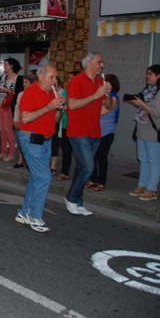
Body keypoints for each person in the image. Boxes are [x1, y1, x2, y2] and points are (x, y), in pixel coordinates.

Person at [16, 65, 65, 233]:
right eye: (51, 77)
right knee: (44, 177)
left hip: (46, 141)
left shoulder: (51, 93)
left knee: (36, 178)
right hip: (31, 140)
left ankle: (24, 213)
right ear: (41, 77)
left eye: (55, 77)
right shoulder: (30, 93)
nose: (54, 81)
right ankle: (34, 216)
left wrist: (59, 108)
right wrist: (49, 107)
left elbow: (55, 118)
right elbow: (25, 118)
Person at [65, 53, 112, 216]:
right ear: (89, 64)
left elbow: (108, 106)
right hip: (78, 131)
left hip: (95, 131)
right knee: (88, 167)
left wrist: (107, 93)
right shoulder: (77, 81)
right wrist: (95, 95)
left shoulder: (99, 82)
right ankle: (71, 198)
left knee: (82, 167)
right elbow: (72, 104)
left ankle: (78, 201)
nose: (102, 65)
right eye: (99, 62)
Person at [125, 65, 160, 201]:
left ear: (158, 76)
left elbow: (156, 112)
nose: (147, 76)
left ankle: (152, 188)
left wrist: (141, 103)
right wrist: (138, 101)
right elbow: (145, 108)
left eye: (150, 74)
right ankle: (142, 185)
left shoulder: (158, 92)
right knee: (143, 158)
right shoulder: (147, 90)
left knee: (153, 160)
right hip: (142, 128)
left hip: (153, 130)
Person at [86, 74, 120, 192]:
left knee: (102, 157)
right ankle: (93, 179)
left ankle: (101, 181)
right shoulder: (98, 97)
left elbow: (102, 112)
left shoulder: (113, 98)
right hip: (95, 130)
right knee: (92, 156)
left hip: (106, 131)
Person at [0, 58, 23, 162]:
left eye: (6, 64)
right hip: (0, 105)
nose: (4, 66)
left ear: (11, 66)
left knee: (8, 129)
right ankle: (3, 151)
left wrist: (8, 91)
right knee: (2, 130)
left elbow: (19, 93)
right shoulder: (3, 77)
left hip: (9, 106)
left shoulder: (18, 78)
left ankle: (11, 153)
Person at [57, 70, 80, 181]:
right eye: (69, 78)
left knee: (79, 152)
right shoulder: (66, 93)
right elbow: (61, 107)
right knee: (66, 151)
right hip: (66, 125)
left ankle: (81, 175)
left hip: (77, 127)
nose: (69, 80)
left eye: (72, 78)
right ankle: (64, 172)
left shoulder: (81, 93)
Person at [13, 75, 36, 168]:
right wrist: (16, 120)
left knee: (31, 143)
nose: (24, 84)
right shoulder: (21, 94)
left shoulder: (35, 94)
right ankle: (20, 160)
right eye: (23, 82)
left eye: (26, 82)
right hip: (21, 121)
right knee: (21, 142)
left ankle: (30, 161)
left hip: (31, 122)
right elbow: (17, 108)